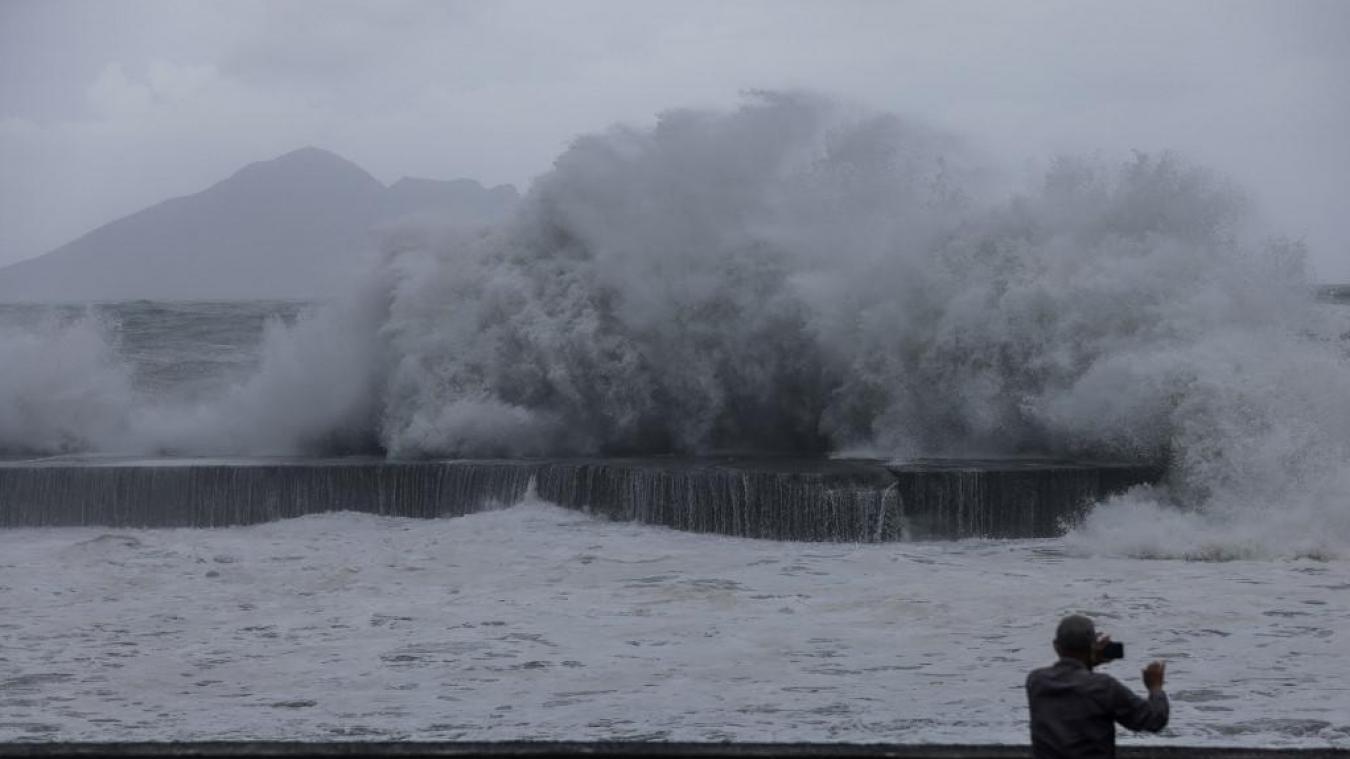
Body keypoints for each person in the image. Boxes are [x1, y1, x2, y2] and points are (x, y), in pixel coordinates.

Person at [1026, 614, 1169, 758]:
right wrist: (1155, 687)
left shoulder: (1036, 681)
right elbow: (1154, 720)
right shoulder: (1104, 687)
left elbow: (1073, 682)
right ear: (1093, 646)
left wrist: (1089, 662)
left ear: (1056, 646)